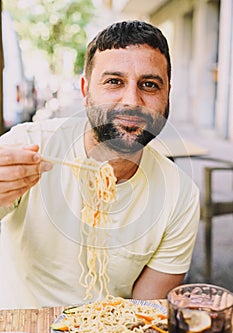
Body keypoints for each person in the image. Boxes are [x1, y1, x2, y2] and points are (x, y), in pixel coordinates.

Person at [0, 20, 200, 309]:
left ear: (167, 94)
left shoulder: (180, 196)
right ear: (85, 91)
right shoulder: (29, 145)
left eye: (150, 85)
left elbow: (144, 315)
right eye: (114, 82)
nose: (132, 100)